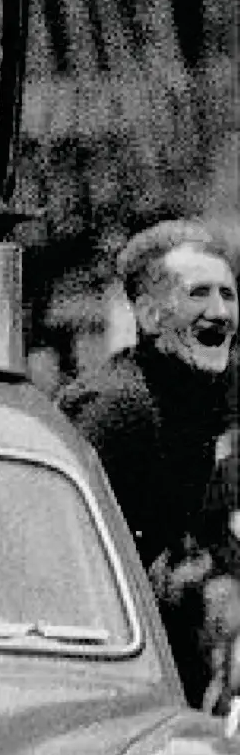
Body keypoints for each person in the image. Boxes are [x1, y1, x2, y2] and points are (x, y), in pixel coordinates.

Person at [60, 219, 238, 704]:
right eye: (199, 294)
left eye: (228, 293)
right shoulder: (118, 409)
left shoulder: (193, 403)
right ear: (149, 314)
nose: (220, 311)